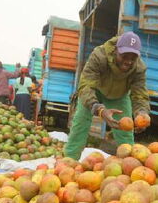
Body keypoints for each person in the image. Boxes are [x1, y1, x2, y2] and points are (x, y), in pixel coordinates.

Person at [64, 31, 151, 160]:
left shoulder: (139, 68)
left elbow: (140, 94)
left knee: (126, 134)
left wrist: (141, 112)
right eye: (124, 56)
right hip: (94, 91)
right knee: (80, 125)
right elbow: (86, 86)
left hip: (119, 96)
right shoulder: (99, 56)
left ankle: (130, 166)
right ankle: (68, 161)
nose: (128, 61)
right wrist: (99, 109)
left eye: (133, 58)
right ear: (116, 50)